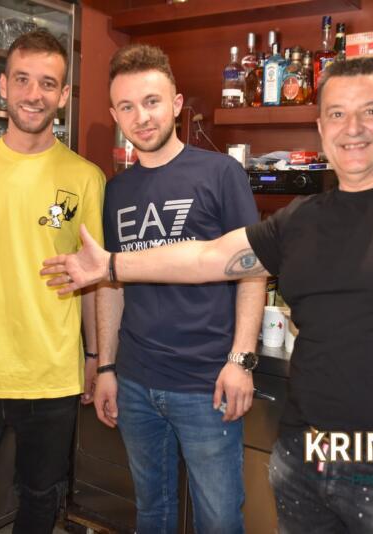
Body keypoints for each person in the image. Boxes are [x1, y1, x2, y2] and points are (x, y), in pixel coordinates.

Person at [42, 57, 373, 534]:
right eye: (337, 114)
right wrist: (110, 266)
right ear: (321, 129)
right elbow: (209, 257)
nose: (352, 128)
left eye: (371, 111)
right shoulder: (301, 218)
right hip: (304, 455)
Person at [0, 29, 105, 534]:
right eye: (23, 80)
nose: (34, 94)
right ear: (3, 85)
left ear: (64, 95)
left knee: (40, 501)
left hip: (52, 372)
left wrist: (96, 357)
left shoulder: (86, 177)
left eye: (48, 83)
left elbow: (95, 281)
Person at [94, 44, 265, 533]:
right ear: (115, 116)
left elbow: (252, 270)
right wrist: (106, 367)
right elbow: (112, 281)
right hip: (135, 380)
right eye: (127, 107)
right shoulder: (117, 190)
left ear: (176, 103)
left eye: (151, 101)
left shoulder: (220, 173)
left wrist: (241, 360)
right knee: (153, 512)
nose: (141, 117)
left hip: (206, 383)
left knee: (218, 519)